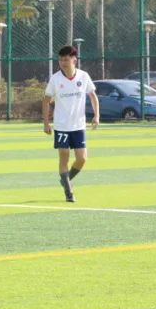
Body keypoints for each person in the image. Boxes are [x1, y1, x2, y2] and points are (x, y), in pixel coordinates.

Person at [42, 45, 99, 202]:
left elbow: (93, 96)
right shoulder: (55, 79)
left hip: (78, 126)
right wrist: (46, 123)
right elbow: (46, 100)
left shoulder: (83, 76)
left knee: (82, 159)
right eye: (60, 60)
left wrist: (96, 116)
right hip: (61, 126)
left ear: (74, 60)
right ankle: (69, 192)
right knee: (64, 158)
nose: (63, 63)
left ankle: (65, 179)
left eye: (66, 60)